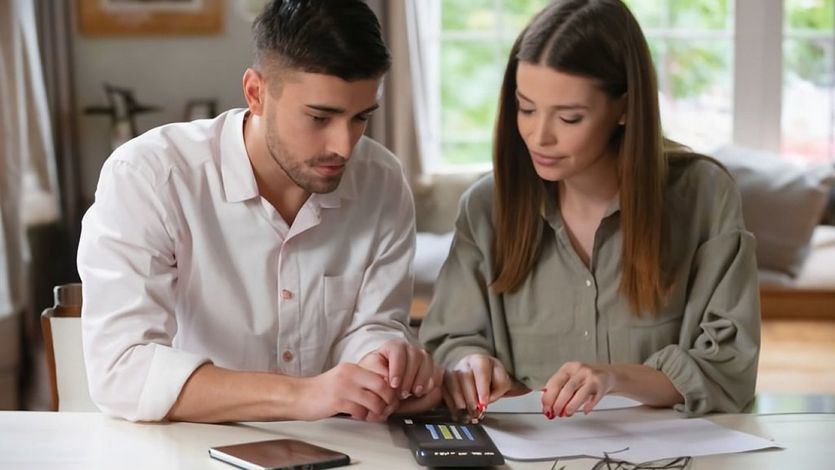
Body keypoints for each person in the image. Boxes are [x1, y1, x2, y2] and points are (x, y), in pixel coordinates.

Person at [78, 0, 440, 423]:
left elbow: (372, 327)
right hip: (186, 447)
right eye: (320, 117)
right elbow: (122, 371)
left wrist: (384, 361)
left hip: (340, 446)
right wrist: (305, 395)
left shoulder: (383, 182)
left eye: (360, 117)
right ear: (256, 93)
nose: (345, 146)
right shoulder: (149, 176)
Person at [419, 0, 760, 420]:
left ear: (625, 108)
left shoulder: (705, 196)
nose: (538, 136)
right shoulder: (487, 206)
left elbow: (729, 370)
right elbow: (449, 341)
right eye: (525, 108)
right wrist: (468, 363)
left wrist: (615, 378)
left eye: (569, 117)